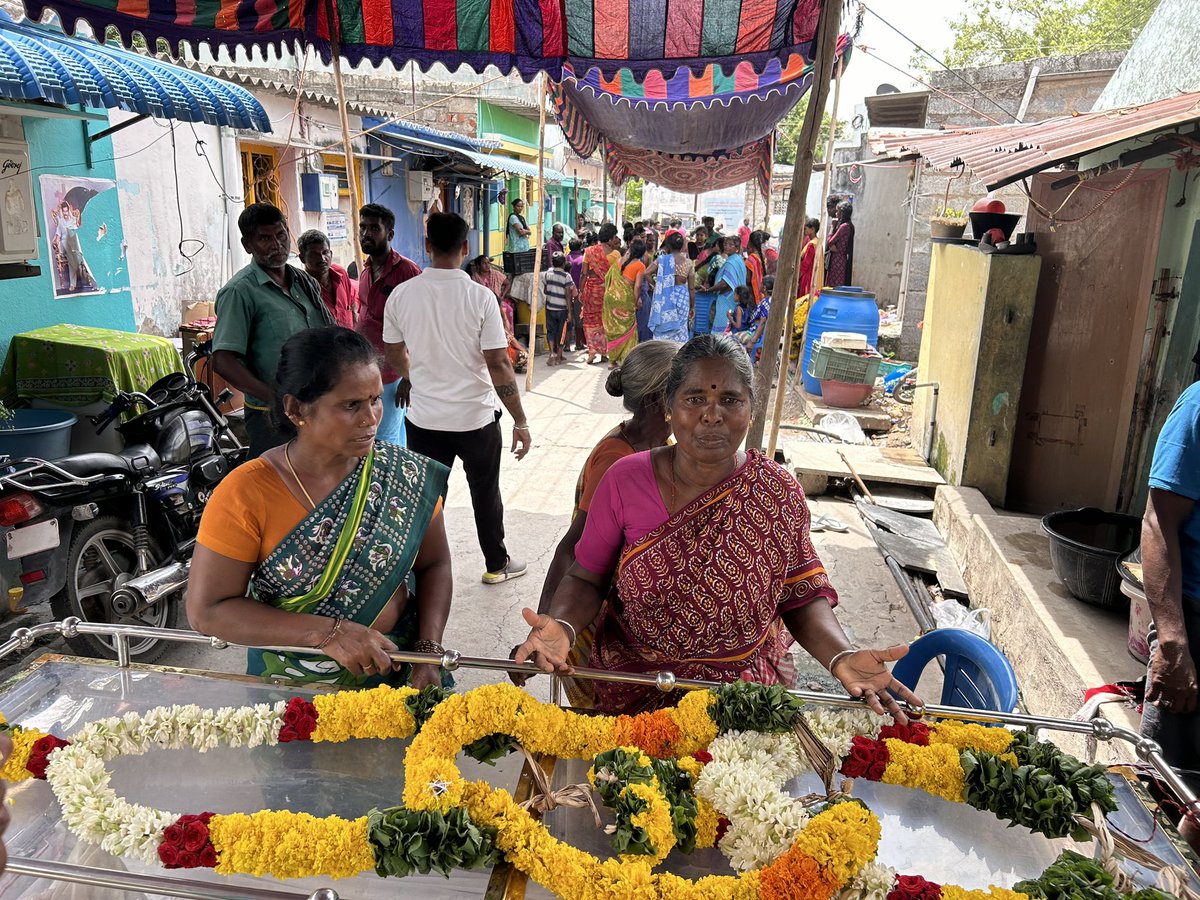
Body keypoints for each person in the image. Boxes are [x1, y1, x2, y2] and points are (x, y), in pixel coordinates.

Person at [513, 334, 922, 716]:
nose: (713, 415)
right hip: (632, 690)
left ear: (751, 408)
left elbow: (800, 593)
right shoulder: (624, 479)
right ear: (668, 406)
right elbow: (586, 577)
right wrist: (563, 625)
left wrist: (839, 656)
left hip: (740, 702)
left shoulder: (777, 492)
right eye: (694, 399)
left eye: (730, 399)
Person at [188, 327, 452, 688]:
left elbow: (435, 564)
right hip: (293, 684)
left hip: (399, 669)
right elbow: (208, 610)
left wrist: (427, 651)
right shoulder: (247, 492)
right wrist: (328, 633)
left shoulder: (403, 474)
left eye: (375, 399)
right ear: (297, 408)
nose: (371, 418)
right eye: (351, 405)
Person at [514, 340, 679, 702]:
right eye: (687, 393)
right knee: (599, 725)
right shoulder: (617, 458)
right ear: (658, 401)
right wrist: (547, 621)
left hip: (626, 612)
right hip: (593, 615)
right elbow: (572, 546)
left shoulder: (662, 446)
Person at [383, 212, 531, 584]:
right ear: (466, 248)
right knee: (485, 492)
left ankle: (419, 570)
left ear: (427, 246)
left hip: (425, 419)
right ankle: (496, 565)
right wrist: (521, 419)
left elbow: (393, 351)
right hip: (475, 419)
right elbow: (498, 363)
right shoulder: (481, 298)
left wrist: (412, 375)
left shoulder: (402, 295)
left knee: (428, 497)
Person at [213, 203, 334, 459]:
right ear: (248, 245)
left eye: (280, 235)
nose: (277, 245)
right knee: (276, 486)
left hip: (316, 405)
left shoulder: (305, 282)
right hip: (271, 416)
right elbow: (222, 361)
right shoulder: (240, 292)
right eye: (264, 239)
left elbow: (328, 333)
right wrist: (276, 400)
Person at [1141, 380, 1200, 846]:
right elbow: (1159, 521)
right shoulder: (1199, 406)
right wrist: (1173, 643)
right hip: (1194, 625)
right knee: (1164, 794)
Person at [357, 203, 420, 446]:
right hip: (369, 371)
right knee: (391, 436)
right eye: (363, 227)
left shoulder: (406, 272)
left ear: (390, 234)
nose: (366, 234)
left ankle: (390, 484)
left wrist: (409, 377)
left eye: (374, 228)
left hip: (394, 374)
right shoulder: (364, 269)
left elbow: (419, 328)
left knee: (385, 442)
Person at [469, 255, 527, 373]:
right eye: (484, 263)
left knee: (508, 310)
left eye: (488, 263)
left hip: (497, 300)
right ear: (479, 266)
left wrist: (502, 295)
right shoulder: (475, 277)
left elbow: (507, 283)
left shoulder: (494, 274)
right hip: (482, 304)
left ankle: (510, 336)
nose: (487, 266)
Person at [298, 229, 358, 328]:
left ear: (331, 253)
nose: (322, 258)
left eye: (325, 252)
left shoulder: (341, 274)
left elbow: (352, 305)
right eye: (314, 255)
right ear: (302, 258)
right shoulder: (302, 288)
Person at [580, 223, 621, 364]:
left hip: (591, 291)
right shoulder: (615, 255)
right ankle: (604, 353)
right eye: (614, 237)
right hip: (607, 291)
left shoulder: (589, 251)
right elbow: (616, 276)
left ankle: (592, 352)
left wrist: (580, 291)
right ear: (609, 239)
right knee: (605, 321)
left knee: (590, 320)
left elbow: (584, 273)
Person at [645, 232, 694, 343]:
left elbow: (646, 273)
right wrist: (692, 306)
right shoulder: (689, 263)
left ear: (668, 246)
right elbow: (691, 288)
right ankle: (678, 352)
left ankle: (662, 352)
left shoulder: (662, 260)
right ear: (682, 246)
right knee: (680, 328)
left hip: (664, 297)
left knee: (663, 326)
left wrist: (656, 285)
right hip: (682, 298)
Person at [604, 239, 647, 366]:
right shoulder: (640, 265)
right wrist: (635, 302)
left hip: (611, 297)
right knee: (628, 329)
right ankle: (626, 360)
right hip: (625, 299)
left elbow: (608, 277)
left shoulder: (619, 261)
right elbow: (638, 286)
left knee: (614, 328)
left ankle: (612, 361)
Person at [542, 253, 577, 366]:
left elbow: (545, 291)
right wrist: (570, 312)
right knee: (562, 332)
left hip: (550, 307)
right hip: (562, 309)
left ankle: (552, 353)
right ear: (563, 264)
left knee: (551, 331)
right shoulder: (566, 276)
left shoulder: (547, 274)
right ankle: (559, 357)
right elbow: (568, 295)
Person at [711, 234, 746, 335]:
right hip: (735, 298)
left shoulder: (731, 263)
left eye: (731, 245)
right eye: (726, 244)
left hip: (727, 299)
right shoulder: (738, 260)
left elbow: (724, 284)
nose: (727, 246)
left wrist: (709, 290)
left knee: (722, 327)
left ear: (737, 248)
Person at [738, 275, 774, 358]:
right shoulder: (770, 300)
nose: (760, 285)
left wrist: (752, 341)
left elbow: (762, 322)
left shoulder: (766, 303)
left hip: (755, 332)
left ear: (764, 288)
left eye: (761, 284)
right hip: (757, 330)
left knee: (732, 339)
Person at [826, 200, 855, 287]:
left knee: (835, 286)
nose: (836, 213)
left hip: (838, 260)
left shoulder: (844, 226)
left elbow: (829, 241)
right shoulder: (845, 225)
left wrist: (832, 226)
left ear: (842, 213)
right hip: (838, 259)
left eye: (838, 211)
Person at [567, 238, 586, 351]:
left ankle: (566, 345)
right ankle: (579, 343)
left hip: (566, 292)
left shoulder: (566, 258)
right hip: (578, 292)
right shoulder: (582, 260)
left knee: (568, 318)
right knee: (579, 318)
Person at [799, 217, 821, 298]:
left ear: (812, 229)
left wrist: (797, 278)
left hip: (807, 278)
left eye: (806, 229)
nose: (804, 231)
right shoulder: (818, 242)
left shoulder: (812, 244)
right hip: (813, 275)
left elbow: (805, 265)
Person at [746, 230, 768, 302]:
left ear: (750, 242)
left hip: (753, 292)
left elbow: (748, 279)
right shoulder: (762, 256)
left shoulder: (751, 258)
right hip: (761, 290)